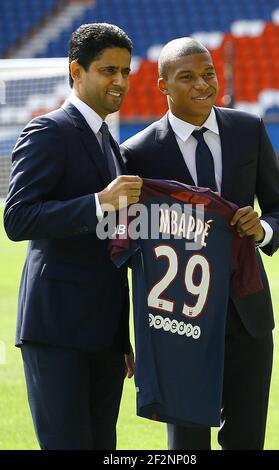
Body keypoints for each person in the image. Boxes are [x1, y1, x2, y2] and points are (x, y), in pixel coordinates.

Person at [120, 37, 279, 450]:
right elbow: (128, 248)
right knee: (187, 445)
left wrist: (263, 229)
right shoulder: (137, 154)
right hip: (180, 320)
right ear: (162, 85)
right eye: (187, 77)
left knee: (247, 440)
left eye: (208, 73)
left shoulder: (247, 129)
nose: (202, 84)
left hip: (246, 313)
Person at [4, 23, 142, 450]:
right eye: (107, 70)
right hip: (57, 331)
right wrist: (99, 201)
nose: (119, 80)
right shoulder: (49, 131)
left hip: (103, 336)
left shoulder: (112, 146)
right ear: (76, 72)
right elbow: (17, 219)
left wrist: (121, 337)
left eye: (124, 71)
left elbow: (110, 251)